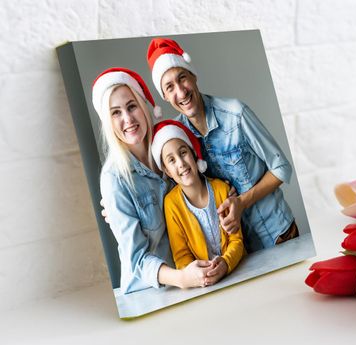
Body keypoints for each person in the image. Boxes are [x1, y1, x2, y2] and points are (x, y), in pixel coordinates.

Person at [146, 38, 299, 253]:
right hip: (237, 249)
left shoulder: (236, 113)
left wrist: (242, 202)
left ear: (194, 76)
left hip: (278, 234)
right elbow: (165, 183)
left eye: (183, 78)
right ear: (164, 96)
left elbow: (282, 168)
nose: (180, 92)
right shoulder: (177, 138)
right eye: (169, 87)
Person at [92, 67, 213, 294]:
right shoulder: (114, 179)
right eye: (115, 112)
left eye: (131, 106)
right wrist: (182, 278)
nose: (127, 119)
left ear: (143, 106)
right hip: (150, 293)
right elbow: (137, 260)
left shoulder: (169, 148)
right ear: (108, 122)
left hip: (194, 277)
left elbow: (201, 188)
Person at [151, 120, 245, 285]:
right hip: (202, 284)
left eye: (183, 152)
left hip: (238, 272)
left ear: (193, 154)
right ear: (167, 170)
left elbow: (236, 240)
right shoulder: (171, 204)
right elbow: (181, 256)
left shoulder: (222, 189)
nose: (181, 163)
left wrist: (226, 263)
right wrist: (199, 275)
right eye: (171, 160)